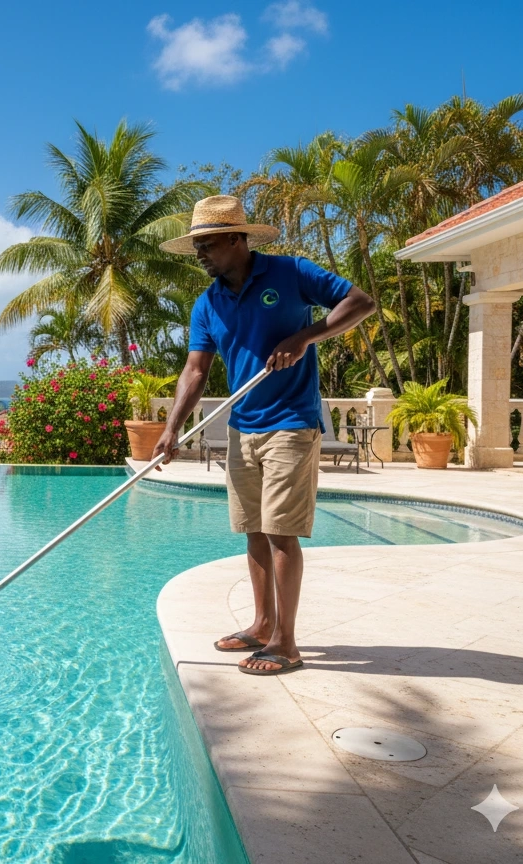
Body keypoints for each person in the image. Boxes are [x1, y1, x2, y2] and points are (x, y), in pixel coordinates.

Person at [154, 196, 375, 675]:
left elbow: (360, 302)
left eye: (208, 244)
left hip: (292, 422)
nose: (201, 255)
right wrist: (172, 428)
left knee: (280, 534)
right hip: (243, 429)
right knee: (253, 532)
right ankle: (260, 624)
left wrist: (305, 337)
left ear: (237, 239)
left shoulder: (290, 273)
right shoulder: (208, 303)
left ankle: (285, 644)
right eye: (197, 246)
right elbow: (195, 370)